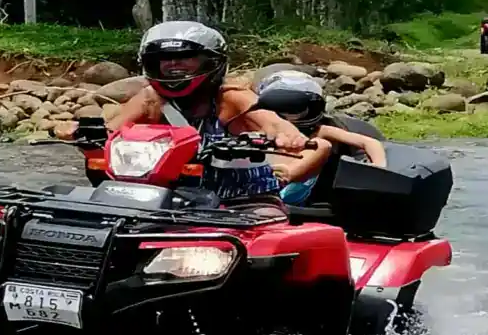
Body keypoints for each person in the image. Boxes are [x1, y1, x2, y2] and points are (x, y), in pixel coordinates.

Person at [59, 21, 310, 201]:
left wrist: (289, 135)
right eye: (164, 58)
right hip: (169, 197)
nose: (172, 64)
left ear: (212, 62)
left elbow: (271, 122)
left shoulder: (230, 97)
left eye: (185, 56)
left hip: (244, 201)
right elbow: (111, 136)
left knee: (261, 244)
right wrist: (80, 134)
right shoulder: (151, 98)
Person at [255, 69, 387, 205]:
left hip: (291, 189)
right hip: (253, 182)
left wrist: (379, 171)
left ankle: (277, 180)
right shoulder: (261, 128)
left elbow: (369, 142)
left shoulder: (321, 131)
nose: (288, 115)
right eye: (280, 107)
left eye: (295, 109)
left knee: (320, 143)